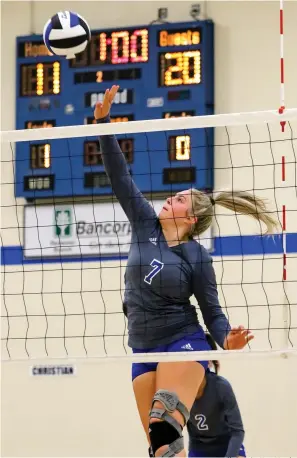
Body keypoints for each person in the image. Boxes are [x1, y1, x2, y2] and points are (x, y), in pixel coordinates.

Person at [94, 85, 277, 458]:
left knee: (164, 422)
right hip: (142, 346)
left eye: (178, 199)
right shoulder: (144, 223)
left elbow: (212, 312)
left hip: (183, 343)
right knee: (162, 449)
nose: (168, 199)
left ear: (191, 218)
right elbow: (119, 176)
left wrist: (228, 340)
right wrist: (103, 123)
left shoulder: (196, 256)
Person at [187, 333, 246, 458]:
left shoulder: (221, 387)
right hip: (200, 447)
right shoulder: (181, 389)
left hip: (227, 443)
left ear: (208, 362)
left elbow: (238, 431)